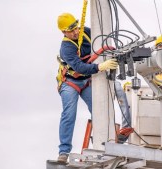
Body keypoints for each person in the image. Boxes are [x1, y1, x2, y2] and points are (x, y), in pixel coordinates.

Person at [56, 13, 118, 163]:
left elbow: (102, 42)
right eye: (71, 31)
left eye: (76, 28)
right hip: (70, 82)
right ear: (64, 32)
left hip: (85, 81)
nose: (76, 32)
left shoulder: (87, 33)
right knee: (69, 114)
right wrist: (100, 67)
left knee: (99, 110)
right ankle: (64, 151)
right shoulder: (66, 47)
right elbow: (79, 67)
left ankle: (105, 143)